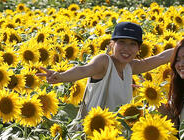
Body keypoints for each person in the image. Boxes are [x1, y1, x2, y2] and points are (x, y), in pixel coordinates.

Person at [37, 22, 174, 118]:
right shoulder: (104, 62)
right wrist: (62, 77)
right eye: (122, 42)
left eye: (132, 44)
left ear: (139, 49)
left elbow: (161, 58)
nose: (127, 48)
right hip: (89, 133)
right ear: (112, 44)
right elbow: (83, 70)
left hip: (114, 133)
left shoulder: (130, 67)